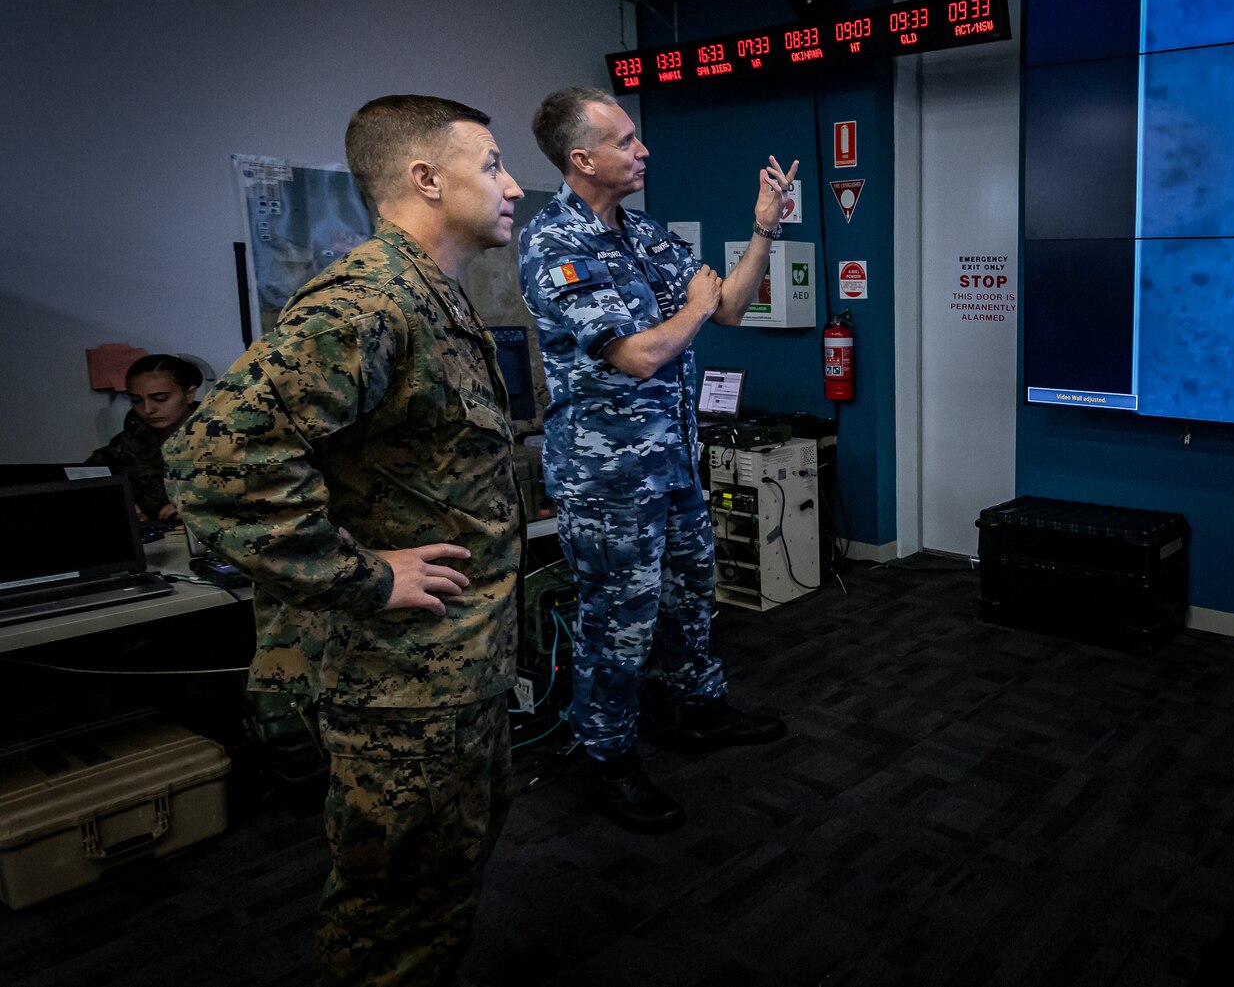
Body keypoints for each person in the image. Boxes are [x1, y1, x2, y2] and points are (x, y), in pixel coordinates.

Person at [165, 95, 525, 987]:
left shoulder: (432, 295)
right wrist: (360, 575)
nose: (514, 184)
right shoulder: (372, 298)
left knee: (439, 886)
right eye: (491, 165)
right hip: (399, 679)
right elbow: (214, 460)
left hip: (451, 667)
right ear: (426, 178)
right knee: (394, 917)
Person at [519, 86, 795, 833]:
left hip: (670, 461)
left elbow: (729, 306)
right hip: (607, 479)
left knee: (689, 595)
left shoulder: (641, 235)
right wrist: (697, 305)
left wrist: (763, 230)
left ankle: (695, 710)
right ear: (582, 158)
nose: (642, 151)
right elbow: (640, 354)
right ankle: (608, 756)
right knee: (619, 621)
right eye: (625, 141)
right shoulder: (555, 242)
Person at [86, 352, 202, 523]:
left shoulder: (225, 436)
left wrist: (198, 508)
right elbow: (84, 477)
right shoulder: (130, 443)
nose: (148, 409)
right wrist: (117, 504)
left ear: (189, 394)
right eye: (136, 400)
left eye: (160, 399)